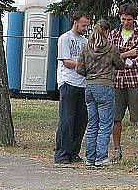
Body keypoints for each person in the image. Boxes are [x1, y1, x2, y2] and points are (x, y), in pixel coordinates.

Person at [76, 20, 127, 167]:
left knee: (92, 124)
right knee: (105, 124)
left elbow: (79, 69)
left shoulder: (86, 48)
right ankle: (101, 157)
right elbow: (120, 65)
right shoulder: (111, 48)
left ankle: (90, 158)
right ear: (106, 32)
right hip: (105, 86)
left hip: (90, 86)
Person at [109, 3, 138, 162]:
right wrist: (129, 54)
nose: (126, 22)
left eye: (129, 19)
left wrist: (128, 61)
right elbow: (111, 56)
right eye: (123, 19)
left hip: (135, 80)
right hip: (117, 81)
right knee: (116, 117)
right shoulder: (113, 34)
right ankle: (117, 149)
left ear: (134, 19)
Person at [54, 11, 90, 164]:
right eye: (83, 25)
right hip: (68, 82)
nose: (85, 28)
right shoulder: (65, 38)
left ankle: (74, 151)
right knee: (67, 119)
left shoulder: (85, 41)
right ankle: (62, 152)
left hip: (83, 83)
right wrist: (83, 65)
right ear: (75, 22)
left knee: (81, 120)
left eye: (87, 25)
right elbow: (67, 62)